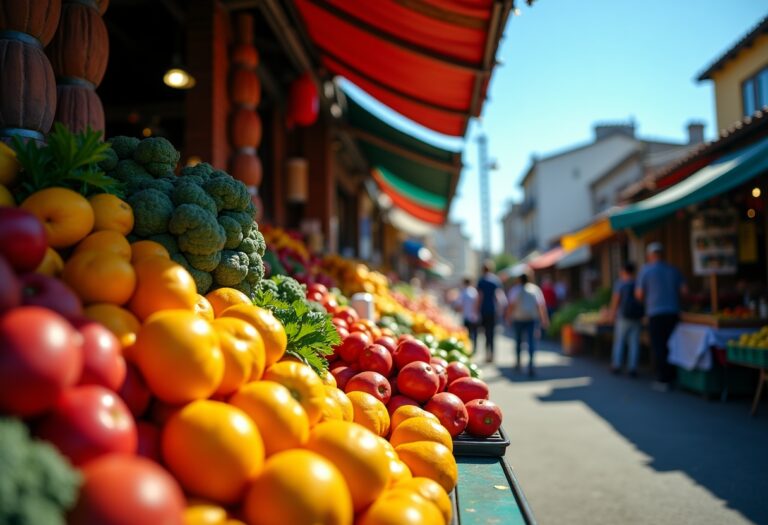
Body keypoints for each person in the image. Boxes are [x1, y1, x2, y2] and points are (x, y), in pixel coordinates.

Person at [636, 242, 687, 391]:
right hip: (673, 312)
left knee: (659, 346)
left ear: (650, 255)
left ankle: (663, 379)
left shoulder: (646, 271)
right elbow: (685, 291)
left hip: (655, 313)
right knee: (673, 344)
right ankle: (674, 376)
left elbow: (639, 294)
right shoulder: (673, 269)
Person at [505, 273, 549, 376]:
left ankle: (518, 362)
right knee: (531, 342)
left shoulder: (515, 290)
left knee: (518, 341)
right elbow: (541, 306)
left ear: (519, 280)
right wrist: (544, 319)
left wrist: (508, 317)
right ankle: (531, 365)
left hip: (518, 318)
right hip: (532, 319)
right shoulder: (535, 290)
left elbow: (511, 306)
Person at [609, 262, 644, 377]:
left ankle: (617, 365)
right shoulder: (637, 283)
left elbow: (616, 299)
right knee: (634, 343)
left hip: (623, 316)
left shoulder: (621, 283)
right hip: (637, 317)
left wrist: (612, 313)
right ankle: (632, 368)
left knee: (620, 342)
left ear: (623, 271)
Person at [475, 260, 505, 363]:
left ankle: (487, 354)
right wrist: (500, 310)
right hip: (493, 310)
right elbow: (499, 296)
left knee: (485, 333)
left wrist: (476, 309)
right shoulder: (496, 280)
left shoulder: (481, 281)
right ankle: (492, 354)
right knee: (492, 333)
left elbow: (480, 297)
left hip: (484, 310)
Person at [454, 277, 479, 350]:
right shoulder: (474, 291)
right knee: (474, 334)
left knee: (467, 335)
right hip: (475, 317)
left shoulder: (463, 292)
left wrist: (457, 310)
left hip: (466, 316)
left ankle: (469, 348)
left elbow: (459, 305)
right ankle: (474, 348)